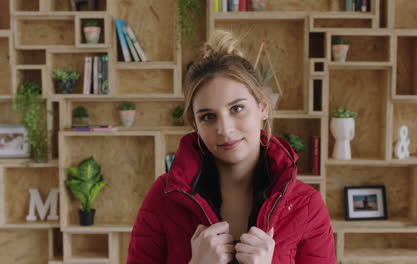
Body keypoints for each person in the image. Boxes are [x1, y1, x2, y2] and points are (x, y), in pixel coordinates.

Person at [127, 29, 336, 264]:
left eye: (237, 109)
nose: (225, 129)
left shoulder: (307, 205)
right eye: (208, 116)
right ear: (194, 123)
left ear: (263, 107)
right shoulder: (163, 198)